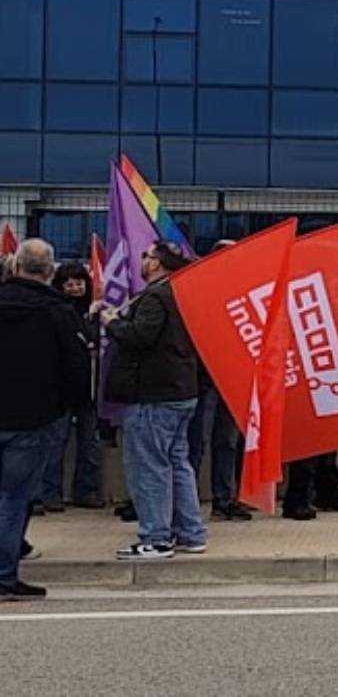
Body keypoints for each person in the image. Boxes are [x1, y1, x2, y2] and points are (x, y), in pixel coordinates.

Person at [102, 240, 207, 560]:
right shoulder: (181, 293)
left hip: (153, 394)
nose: (142, 259)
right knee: (177, 463)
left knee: (149, 467)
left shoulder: (155, 297)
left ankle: (156, 537)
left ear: (157, 264)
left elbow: (140, 337)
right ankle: (190, 532)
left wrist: (112, 323)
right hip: (180, 390)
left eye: (146, 255)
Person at [0, 239, 89, 599]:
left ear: (14, 266)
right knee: (14, 499)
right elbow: (76, 367)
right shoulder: (58, 313)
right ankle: (4, 576)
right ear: (50, 272)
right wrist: (66, 408)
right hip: (33, 417)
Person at [35, 261, 105, 513]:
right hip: (63, 388)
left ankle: (86, 490)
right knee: (55, 443)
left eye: (79, 283)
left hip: (89, 388)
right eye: (69, 284)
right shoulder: (57, 310)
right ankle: (49, 493)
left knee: (90, 443)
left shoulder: (95, 311)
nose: (75, 288)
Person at [187, 240, 249, 522]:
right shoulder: (200, 293)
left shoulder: (244, 293)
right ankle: (185, 503)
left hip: (234, 377)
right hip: (204, 378)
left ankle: (224, 500)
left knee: (227, 440)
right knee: (195, 441)